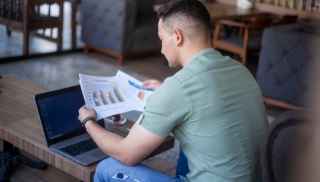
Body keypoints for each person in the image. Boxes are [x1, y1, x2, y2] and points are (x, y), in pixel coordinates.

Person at [78, 0, 268, 181]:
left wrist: (89, 121)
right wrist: (167, 90)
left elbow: (127, 154)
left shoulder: (178, 88)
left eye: (161, 39)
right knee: (193, 134)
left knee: (106, 169)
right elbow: (203, 98)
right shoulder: (240, 69)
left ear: (177, 37)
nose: (161, 48)